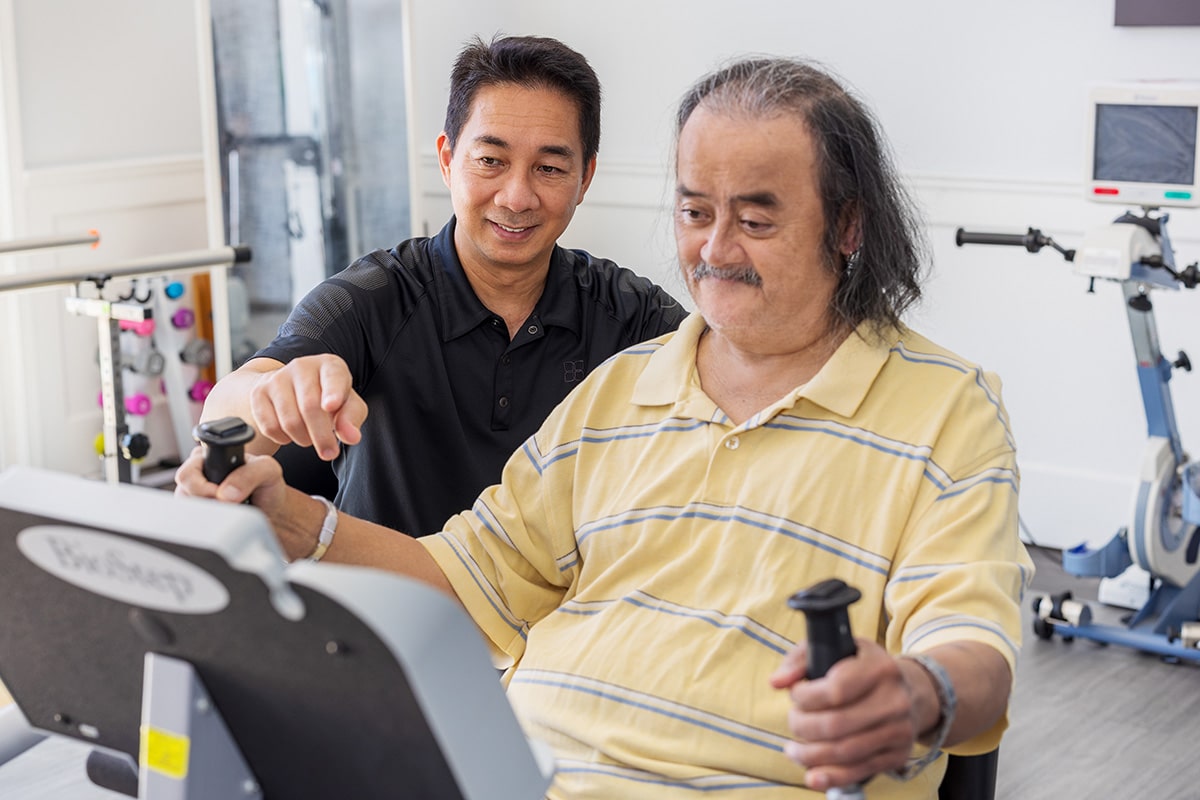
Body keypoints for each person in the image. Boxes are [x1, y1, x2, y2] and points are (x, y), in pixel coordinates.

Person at [177, 55, 1034, 800]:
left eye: (756, 219)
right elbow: (469, 581)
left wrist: (920, 693)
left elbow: (973, 651)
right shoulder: (620, 386)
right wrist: (293, 523)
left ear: (847, 224)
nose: (715, 250)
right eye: (694, 212)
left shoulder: (945, 409)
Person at [199, 34, 687, 534]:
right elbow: (227, 407)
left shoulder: (630, 314)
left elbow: (723, 374)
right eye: (491, 161)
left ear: (584, 178)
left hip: (563, 589)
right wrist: (276, 395)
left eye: (549, 168)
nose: (516, 197)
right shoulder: (371, 299)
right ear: (448, 159)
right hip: (385, 583)